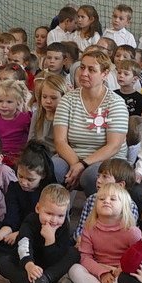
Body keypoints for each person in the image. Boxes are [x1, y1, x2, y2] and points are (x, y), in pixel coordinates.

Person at [52, 48, 129, 195]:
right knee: (53, 167)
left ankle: (96, 215)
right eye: (82, 67)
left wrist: (83, 164)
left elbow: (114, 146)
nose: (84, 73)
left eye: (91, 70)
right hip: (73, 157)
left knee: (92, 176)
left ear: (105, 74)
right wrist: (76, 164)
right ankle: (58, 214)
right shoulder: (67, 100)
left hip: (107, 159)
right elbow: (60, 141)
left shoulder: (116, 103)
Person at [0, 184, 79, 283]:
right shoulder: (30, 222)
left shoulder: (63, 226)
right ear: (38, 208)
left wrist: (50, 240)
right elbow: (24, 246)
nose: (54, 220)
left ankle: (43, 281)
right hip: (28, 264)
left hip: (49, 269)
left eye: (60, 215)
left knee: (74, 253)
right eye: (49, 214)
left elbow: (57, 258)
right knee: (2, 262)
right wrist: (29, 265)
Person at [67, 183, 141, 283]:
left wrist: (121, 269)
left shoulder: (132, 232)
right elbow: (85, 257)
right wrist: (101, 272)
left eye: (112, 199)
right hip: (97, 270)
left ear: (124, 207)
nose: (106, 201)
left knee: (128, 280)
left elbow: (139, 258)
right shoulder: (89, 229)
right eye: (101, 199)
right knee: (74, 269)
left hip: (120, 273)